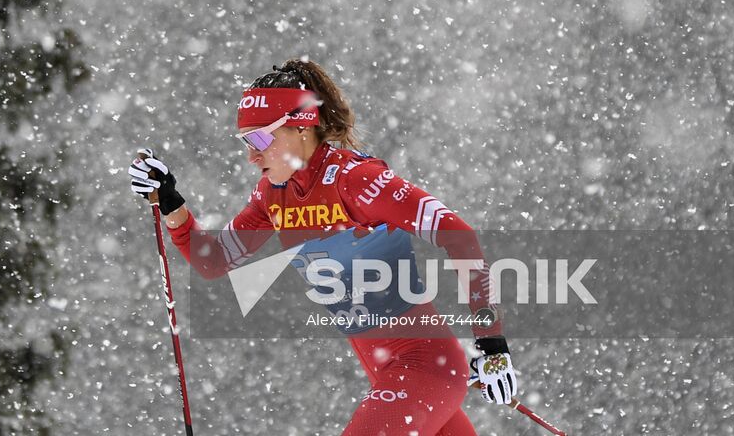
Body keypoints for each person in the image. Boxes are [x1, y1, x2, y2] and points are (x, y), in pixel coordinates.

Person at [128, 58, 519, 436]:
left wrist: (492, 344)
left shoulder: (356, 179)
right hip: (391, 372)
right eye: (246, 141)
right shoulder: (273, 195)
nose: (251, 155)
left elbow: (459, 235)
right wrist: (170, 202)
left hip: (422, 369)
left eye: (261, 138)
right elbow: (212, 260)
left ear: (301, 127)